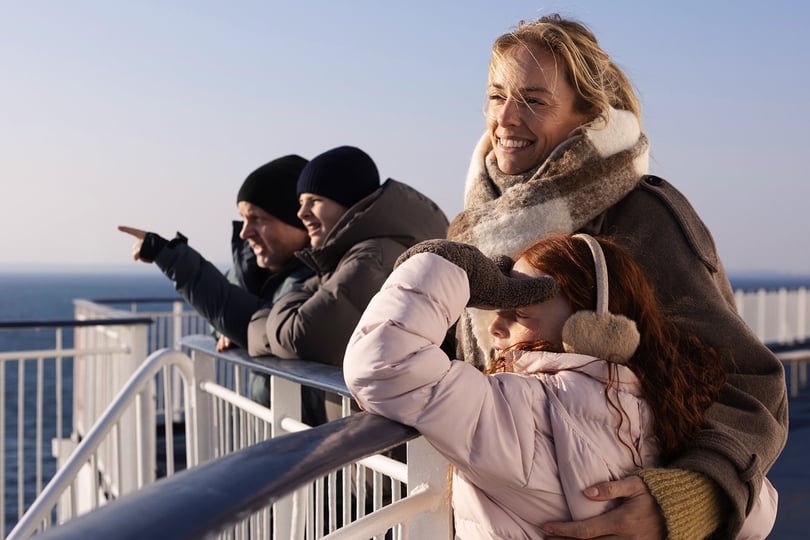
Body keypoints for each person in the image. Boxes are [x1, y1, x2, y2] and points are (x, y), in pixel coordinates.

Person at [443, 14, 788, 539]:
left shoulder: (641, 216)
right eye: (496, 96)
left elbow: (750, 381)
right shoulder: (479, 223)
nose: (506, 118)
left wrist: (694, 494)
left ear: (587, 115)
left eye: (534, 100)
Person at [344, 235, 777, 539]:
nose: (495, 325)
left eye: (520, 312)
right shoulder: (663, 401)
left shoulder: (529, 411)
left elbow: (385, 362)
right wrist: (680, 506)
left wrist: (448, 265)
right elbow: (759, 510)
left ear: (591, 328)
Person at [118, 155, 327, 425]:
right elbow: (226, 314)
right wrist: (230, 328)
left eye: (257, 218)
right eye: (243, 218)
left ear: (296, 220)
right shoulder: (251, 269)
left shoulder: (319, 277)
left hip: (313, 442)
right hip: (274, 434)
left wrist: (168, 256)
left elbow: (251, 319)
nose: (245, 233)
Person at [246, 145, 449, 368]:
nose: (301, 213)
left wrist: (261, 325)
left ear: (349, 202)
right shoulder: (354, 256)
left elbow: (303, 338)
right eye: (301, 202)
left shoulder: (373, 257)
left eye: (314, 200)